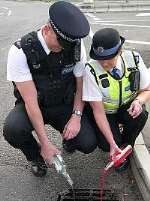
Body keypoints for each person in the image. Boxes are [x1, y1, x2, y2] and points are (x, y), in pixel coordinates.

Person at [3, 1, 93, 177]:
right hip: (36, 105)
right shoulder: (21, 51)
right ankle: (36, 156)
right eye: (60, 44)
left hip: (63, 102)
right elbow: (30, 102)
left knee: (88, 143)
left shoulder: (74, 45)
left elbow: (80, 86)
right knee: (13, 129)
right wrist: (44, 142)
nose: (62, 50)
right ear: (46, 30)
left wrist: (76, 116)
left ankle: (68, 140)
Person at [83, 28, 150, 172]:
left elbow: (147, 90)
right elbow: (98, 111)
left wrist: (138, 101)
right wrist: (112, 143)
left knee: (141, 115)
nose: (104, 64)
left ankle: (126, 147)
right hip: (105, 112)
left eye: (108, 59)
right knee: (107, 144)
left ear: (120, 51)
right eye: (100, 59)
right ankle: (116, 144)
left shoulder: (134, 59)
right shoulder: (91, 69)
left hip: (126, 107)